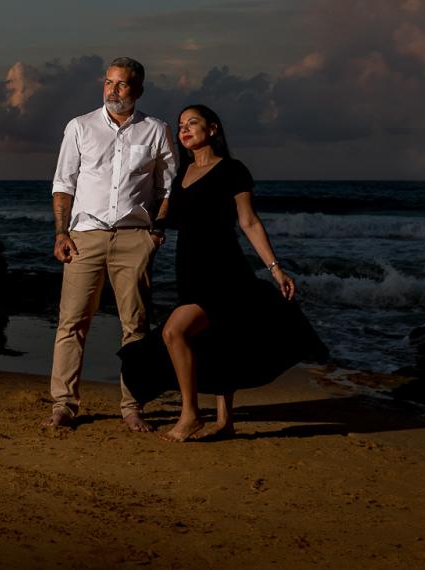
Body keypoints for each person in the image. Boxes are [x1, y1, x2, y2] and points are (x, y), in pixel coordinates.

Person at [121, 103, 327, 442]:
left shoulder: (232, 170)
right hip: (189, 270)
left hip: (224, 270)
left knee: (175, 332)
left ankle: (190, 415)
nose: (184, 128)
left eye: (193, 122)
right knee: (215, 341)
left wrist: (275, 268)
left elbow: (248, 221)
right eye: (181, 124)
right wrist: (151, 231)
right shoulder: (180, 174)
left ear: (213, 129)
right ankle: (225, 421)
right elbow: (166, 214)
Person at [45, 56, 178, 431]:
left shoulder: (156, 130)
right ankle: (64, 405)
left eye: (121, 84)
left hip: (135, 238)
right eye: (108, 82)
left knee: (135, 325)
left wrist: (156, 232)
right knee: (72, 322)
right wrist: (61, 232)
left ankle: (132, 405)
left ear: (138, 89)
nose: (112, 90)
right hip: (84, 235)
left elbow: (167, 187)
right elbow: (63, 184)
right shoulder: (80, 127)